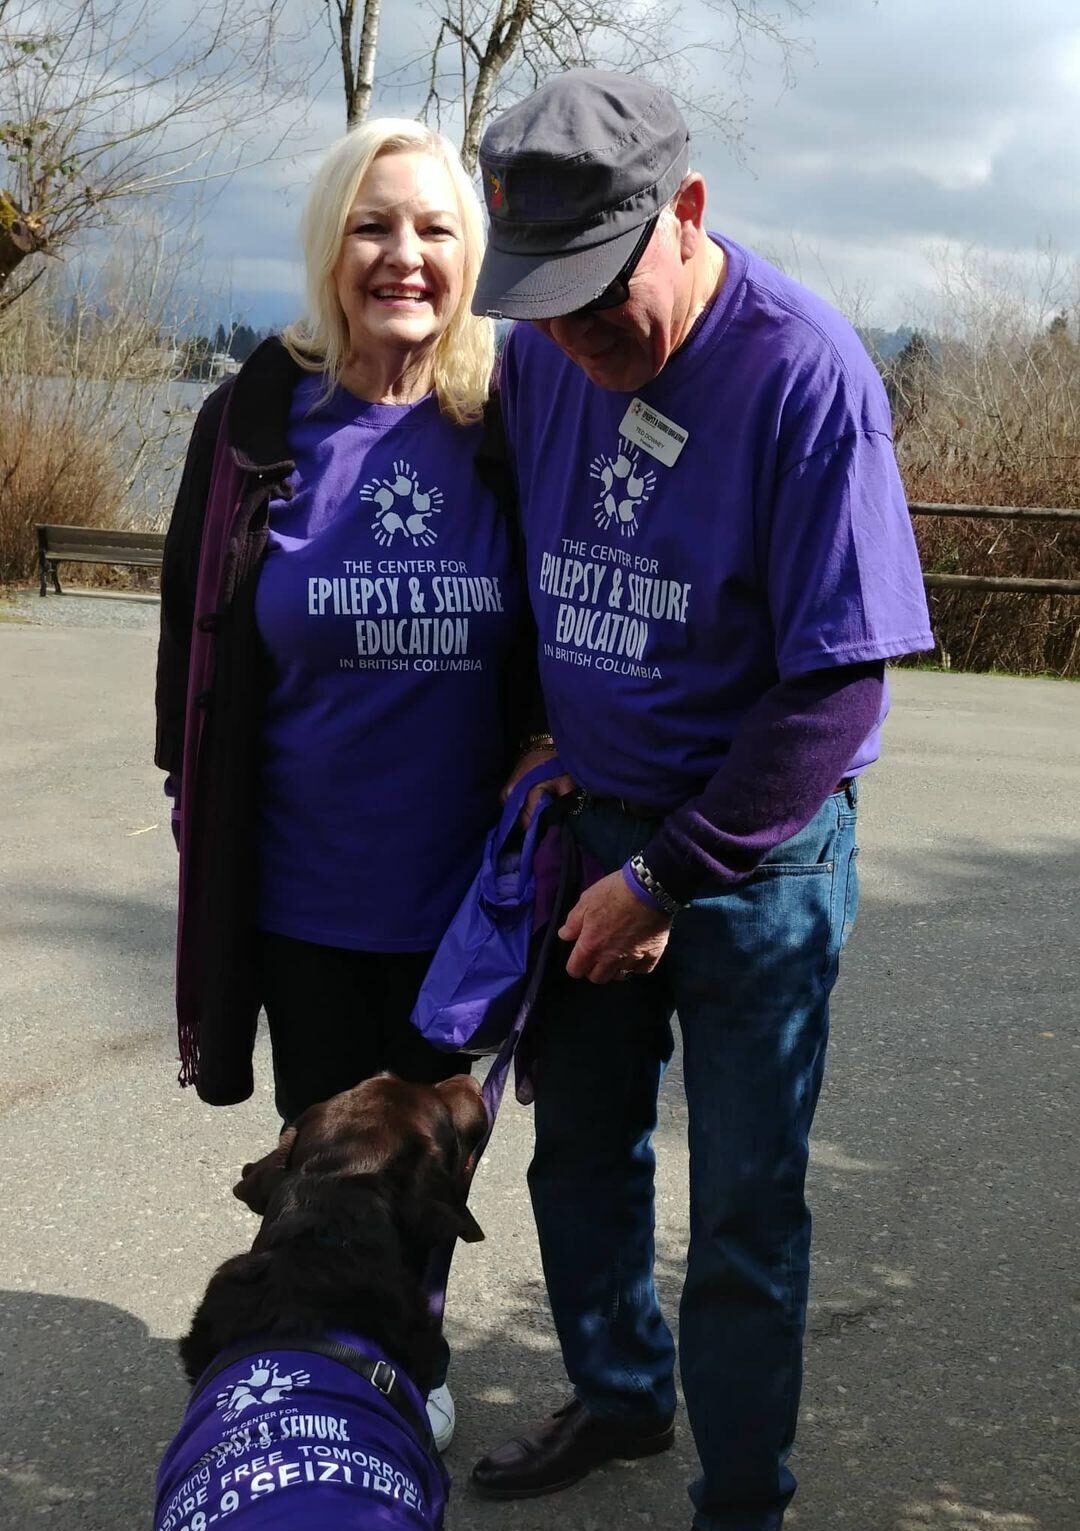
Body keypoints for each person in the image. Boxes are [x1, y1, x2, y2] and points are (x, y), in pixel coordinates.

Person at [465, 71, 934, 1529]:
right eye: (546, 302)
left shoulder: (805, 373)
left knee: (743, 1210)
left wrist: (669, 877)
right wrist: (539, 745)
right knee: (580, 1155)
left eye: (604, 296)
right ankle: (617, 1396)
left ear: (688, 213)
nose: (581, 339)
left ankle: (744, 1500)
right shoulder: (547, 351)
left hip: (757, 863)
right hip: (593, 824)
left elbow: (838, 689)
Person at [154, 118, 544, 1450]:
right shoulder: (255, 419)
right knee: (325, 1178)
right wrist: (184, 786)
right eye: (376, 226)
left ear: (470, 253)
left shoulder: (505, 418)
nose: (406, 256)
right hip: (305, 895)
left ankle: (409, 1368)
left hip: (465, 904)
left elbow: (559, 628)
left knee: (429, 1183)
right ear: (333, 244)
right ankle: (315, 1391)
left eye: (436, 230)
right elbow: (189, 637)